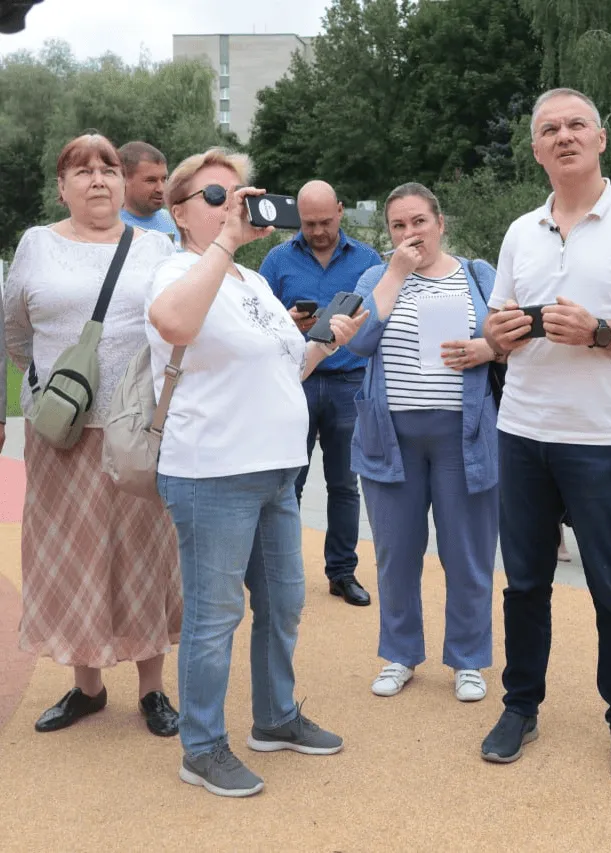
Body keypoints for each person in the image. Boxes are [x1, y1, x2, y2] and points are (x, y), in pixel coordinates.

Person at [481, 87, 611, 782]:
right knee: (524, 584)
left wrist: (601, 333)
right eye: (549, 129)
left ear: (601, 139)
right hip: (521, 430)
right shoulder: (519, 231)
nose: (563, 136)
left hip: (601, 438)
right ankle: (520, 704)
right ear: (536, 148)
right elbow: (493, 329)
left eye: (577, 125)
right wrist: (500, 334)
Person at [147, 147, 367, 798]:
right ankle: (203, 746)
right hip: (211, 471)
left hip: (274, 468)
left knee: (283, 603)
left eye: (240, 194)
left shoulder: (254, 283)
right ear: (180, 212)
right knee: (214, 619)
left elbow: (287, 364)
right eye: (217, 198)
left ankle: (274, 717)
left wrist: (328, 340)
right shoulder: (173, 270)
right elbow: (175, 322)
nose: (235, 207)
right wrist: (224, 245)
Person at [3, 133, 181, 738]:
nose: (97, 178)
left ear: (121, 181)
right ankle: (88, 687)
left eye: (107, 167)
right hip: (61, 432)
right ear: (62, 186)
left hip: (135, 426)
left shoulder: (158, 245)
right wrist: (51, 385)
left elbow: (176, 326)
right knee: (70, 553)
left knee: (145, 551)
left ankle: (153, 691)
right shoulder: (36, 245)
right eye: (82, 170)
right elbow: (14, 329)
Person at [347, 182, 500, 703]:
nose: (410, 233)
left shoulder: (479, 276)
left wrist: (485, 348)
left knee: (468, 552)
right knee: (395, 552)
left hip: (466, 435)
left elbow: (509, 341)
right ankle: (400, 653)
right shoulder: (377, 276)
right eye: (398, 225)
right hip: (390, 437)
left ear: (441, 223)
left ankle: (469, 659)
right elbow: (359, 343)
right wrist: (396, 273)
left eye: (419, 221)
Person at [260, 180, 382, 607]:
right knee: (287, 482)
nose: (318, 231)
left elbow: (378, 319)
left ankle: (342, 572)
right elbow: (255, 316)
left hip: (350, 382)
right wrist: (287, 321)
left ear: (341, 211)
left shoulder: (368, 260)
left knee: (345, 485)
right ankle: (281, 572)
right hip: (297, 379)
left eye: (325, 222)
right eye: (309, 224)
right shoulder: (277, 259)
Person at [118, 141, 179, 246]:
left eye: (164, 179)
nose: (161, 189)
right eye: (151, 180)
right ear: (124, 180)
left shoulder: (177, 221)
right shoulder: (110, 229)